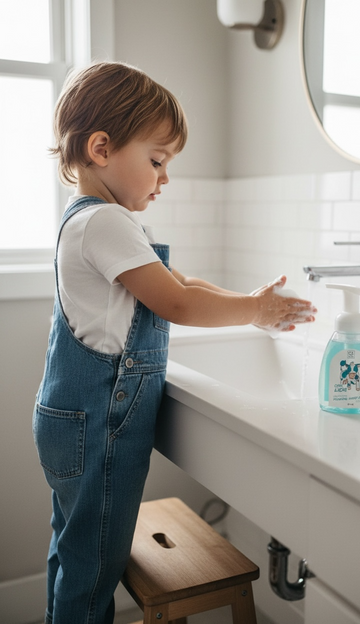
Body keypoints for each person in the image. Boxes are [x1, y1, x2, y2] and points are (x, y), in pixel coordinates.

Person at [33, 61, 317, 624]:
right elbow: (179, 305)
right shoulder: (105, 223)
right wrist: (255, 309)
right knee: (93, 570)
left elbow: (181, 283)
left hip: (76, 419)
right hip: (98, 426)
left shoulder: (95, 221)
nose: (164, 178)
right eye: (157, 161)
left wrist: (249, 305)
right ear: (101, 148)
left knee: (75, 550)